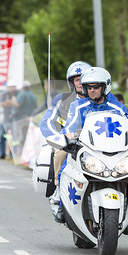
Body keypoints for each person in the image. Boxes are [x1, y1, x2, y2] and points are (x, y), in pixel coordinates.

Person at [54, 67, 128, 225]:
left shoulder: (117, 107)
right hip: (87, 149)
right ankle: (61, 203)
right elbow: (70, 125)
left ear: (105, 87)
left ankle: (125, 212)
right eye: (88, 87)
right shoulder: (77, 106)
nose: (92, 90)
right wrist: (68, 134)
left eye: (96, 87)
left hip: (114, 151)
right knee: (64, 168)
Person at [40, 61, 92, 202]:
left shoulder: (100, 100)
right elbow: (46, 121)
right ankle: (58, 188)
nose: (81, 82)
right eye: (77, 80)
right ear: (72, 83)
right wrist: (60, 138)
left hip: (95, 144)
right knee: (61, 152)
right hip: (71, 143)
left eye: (83, 78)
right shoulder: (62, 100)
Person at [11, 81, 37, 157]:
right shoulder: (33, 95)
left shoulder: (22, 94)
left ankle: (17, 154)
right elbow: (35, 108)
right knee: (26, 136)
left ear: (22, 87)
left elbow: (17, 104)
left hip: (19, 118)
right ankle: (24, 153)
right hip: (29, 118)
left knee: (17, 135)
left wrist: (13, 99)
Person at [0, 81, 18, 158]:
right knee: (2, 136)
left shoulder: (18, 93)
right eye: (11, 87)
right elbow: (1, 104)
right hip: (6, 118)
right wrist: (11, 103)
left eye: (13, 87)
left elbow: (17, 104)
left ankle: (13, 154)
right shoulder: (4, 93)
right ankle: (2, 153)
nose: (12, 88)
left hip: (14, 119)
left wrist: (9, 103)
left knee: (14, 137)